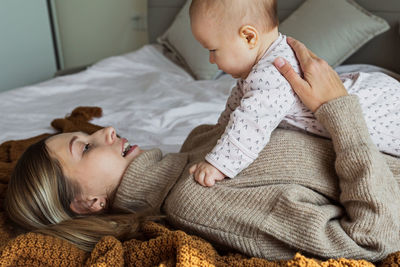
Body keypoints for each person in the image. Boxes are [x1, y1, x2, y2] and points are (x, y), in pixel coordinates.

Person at [5, 38, 400, 261]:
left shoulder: (199, 144)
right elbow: (369, 242)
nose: (107, 129)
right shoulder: (197, 201)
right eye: (86, 148)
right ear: (88, 203)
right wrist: (338, 110)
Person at [188, 0, 400, 187]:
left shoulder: (271, 72)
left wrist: (219, 164)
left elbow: (252, 124)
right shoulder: (257, 70)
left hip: (377, 108)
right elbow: (236, 111)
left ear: (249, 37)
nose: (211, 60)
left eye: (213, 50)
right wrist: (216, 135)